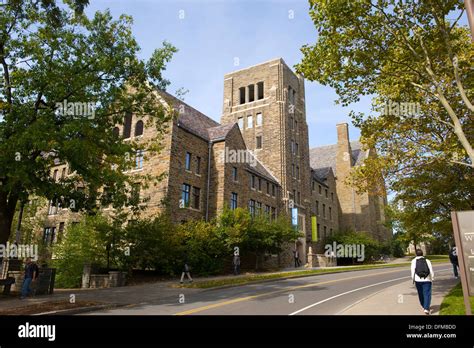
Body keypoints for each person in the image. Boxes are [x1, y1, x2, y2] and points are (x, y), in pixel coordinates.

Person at [411, 249, 435, 315]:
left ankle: (423, 305)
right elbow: (431, 270)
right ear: (422, 254)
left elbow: (412, 271)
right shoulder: (427, 260)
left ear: (416, 254)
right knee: (427, 294)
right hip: (427, 279)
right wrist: (432, 278)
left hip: (417, 280)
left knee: (420, 293)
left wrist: (413, 279)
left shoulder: (413, 261)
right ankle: (426, 308)